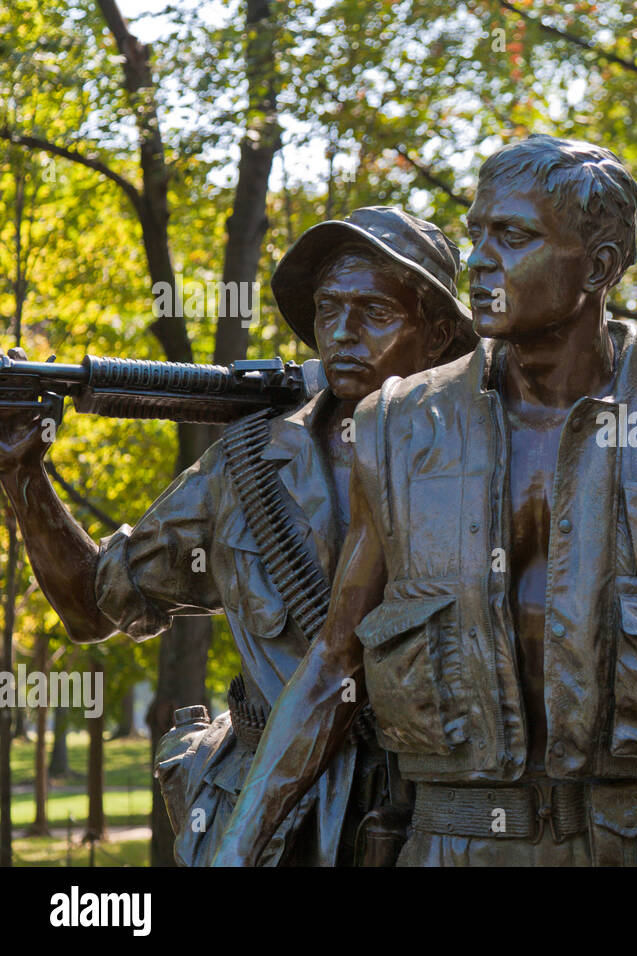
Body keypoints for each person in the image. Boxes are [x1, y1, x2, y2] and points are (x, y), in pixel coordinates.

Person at [215, 134, 637, 867]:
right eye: (475, 234)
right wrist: (238, 846)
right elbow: (334, 663)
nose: (479, 261)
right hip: (452, 842)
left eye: (514, 236)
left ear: (599, 266)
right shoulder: (398, 427)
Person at [0, 206, 476, 865]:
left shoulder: (492, 464)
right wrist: (24, 475)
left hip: (430, 826)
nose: (342, 332)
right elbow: (90, 606)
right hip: (273, 829)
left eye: (375, 311)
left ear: (438, 334)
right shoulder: (247, 463)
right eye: (329, 308)